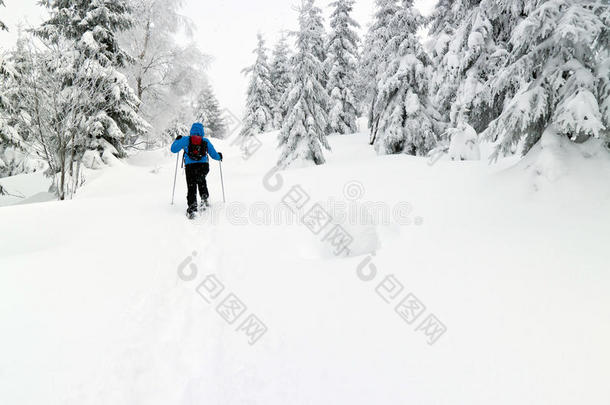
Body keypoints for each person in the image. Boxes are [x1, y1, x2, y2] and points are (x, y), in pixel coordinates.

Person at [171, 122, 223, 218]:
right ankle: (204, 200)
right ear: (202, 131)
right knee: (201, 181)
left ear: (191, 130)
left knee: (191, 186)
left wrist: (177, 140)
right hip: (203, 166)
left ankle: (192, 208)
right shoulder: (205, 141)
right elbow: (213, 154)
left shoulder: (185, 140)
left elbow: (173, 149)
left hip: (190, 167)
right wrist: (219, 156)